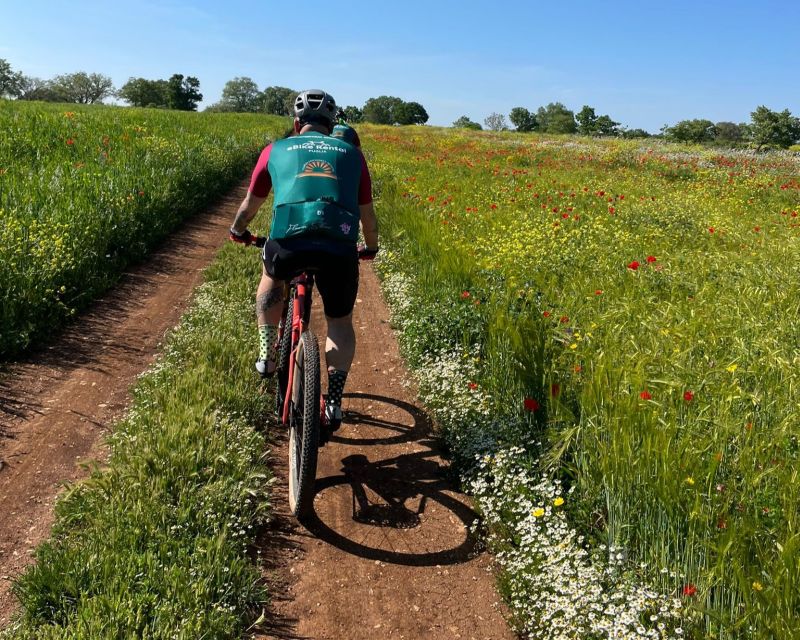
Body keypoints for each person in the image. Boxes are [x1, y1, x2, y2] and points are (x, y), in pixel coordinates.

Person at [228, 89, 379, 429]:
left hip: (288, 242)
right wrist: (370, 247)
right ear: (332, 124)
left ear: (296, 124)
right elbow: (368, 217)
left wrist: (238, 230)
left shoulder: (275, 149)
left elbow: (249, 206)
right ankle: (335, 401)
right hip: (339, 247)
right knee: (339, 322)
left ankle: (267, 355)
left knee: (271, 278)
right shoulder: (353, 155)